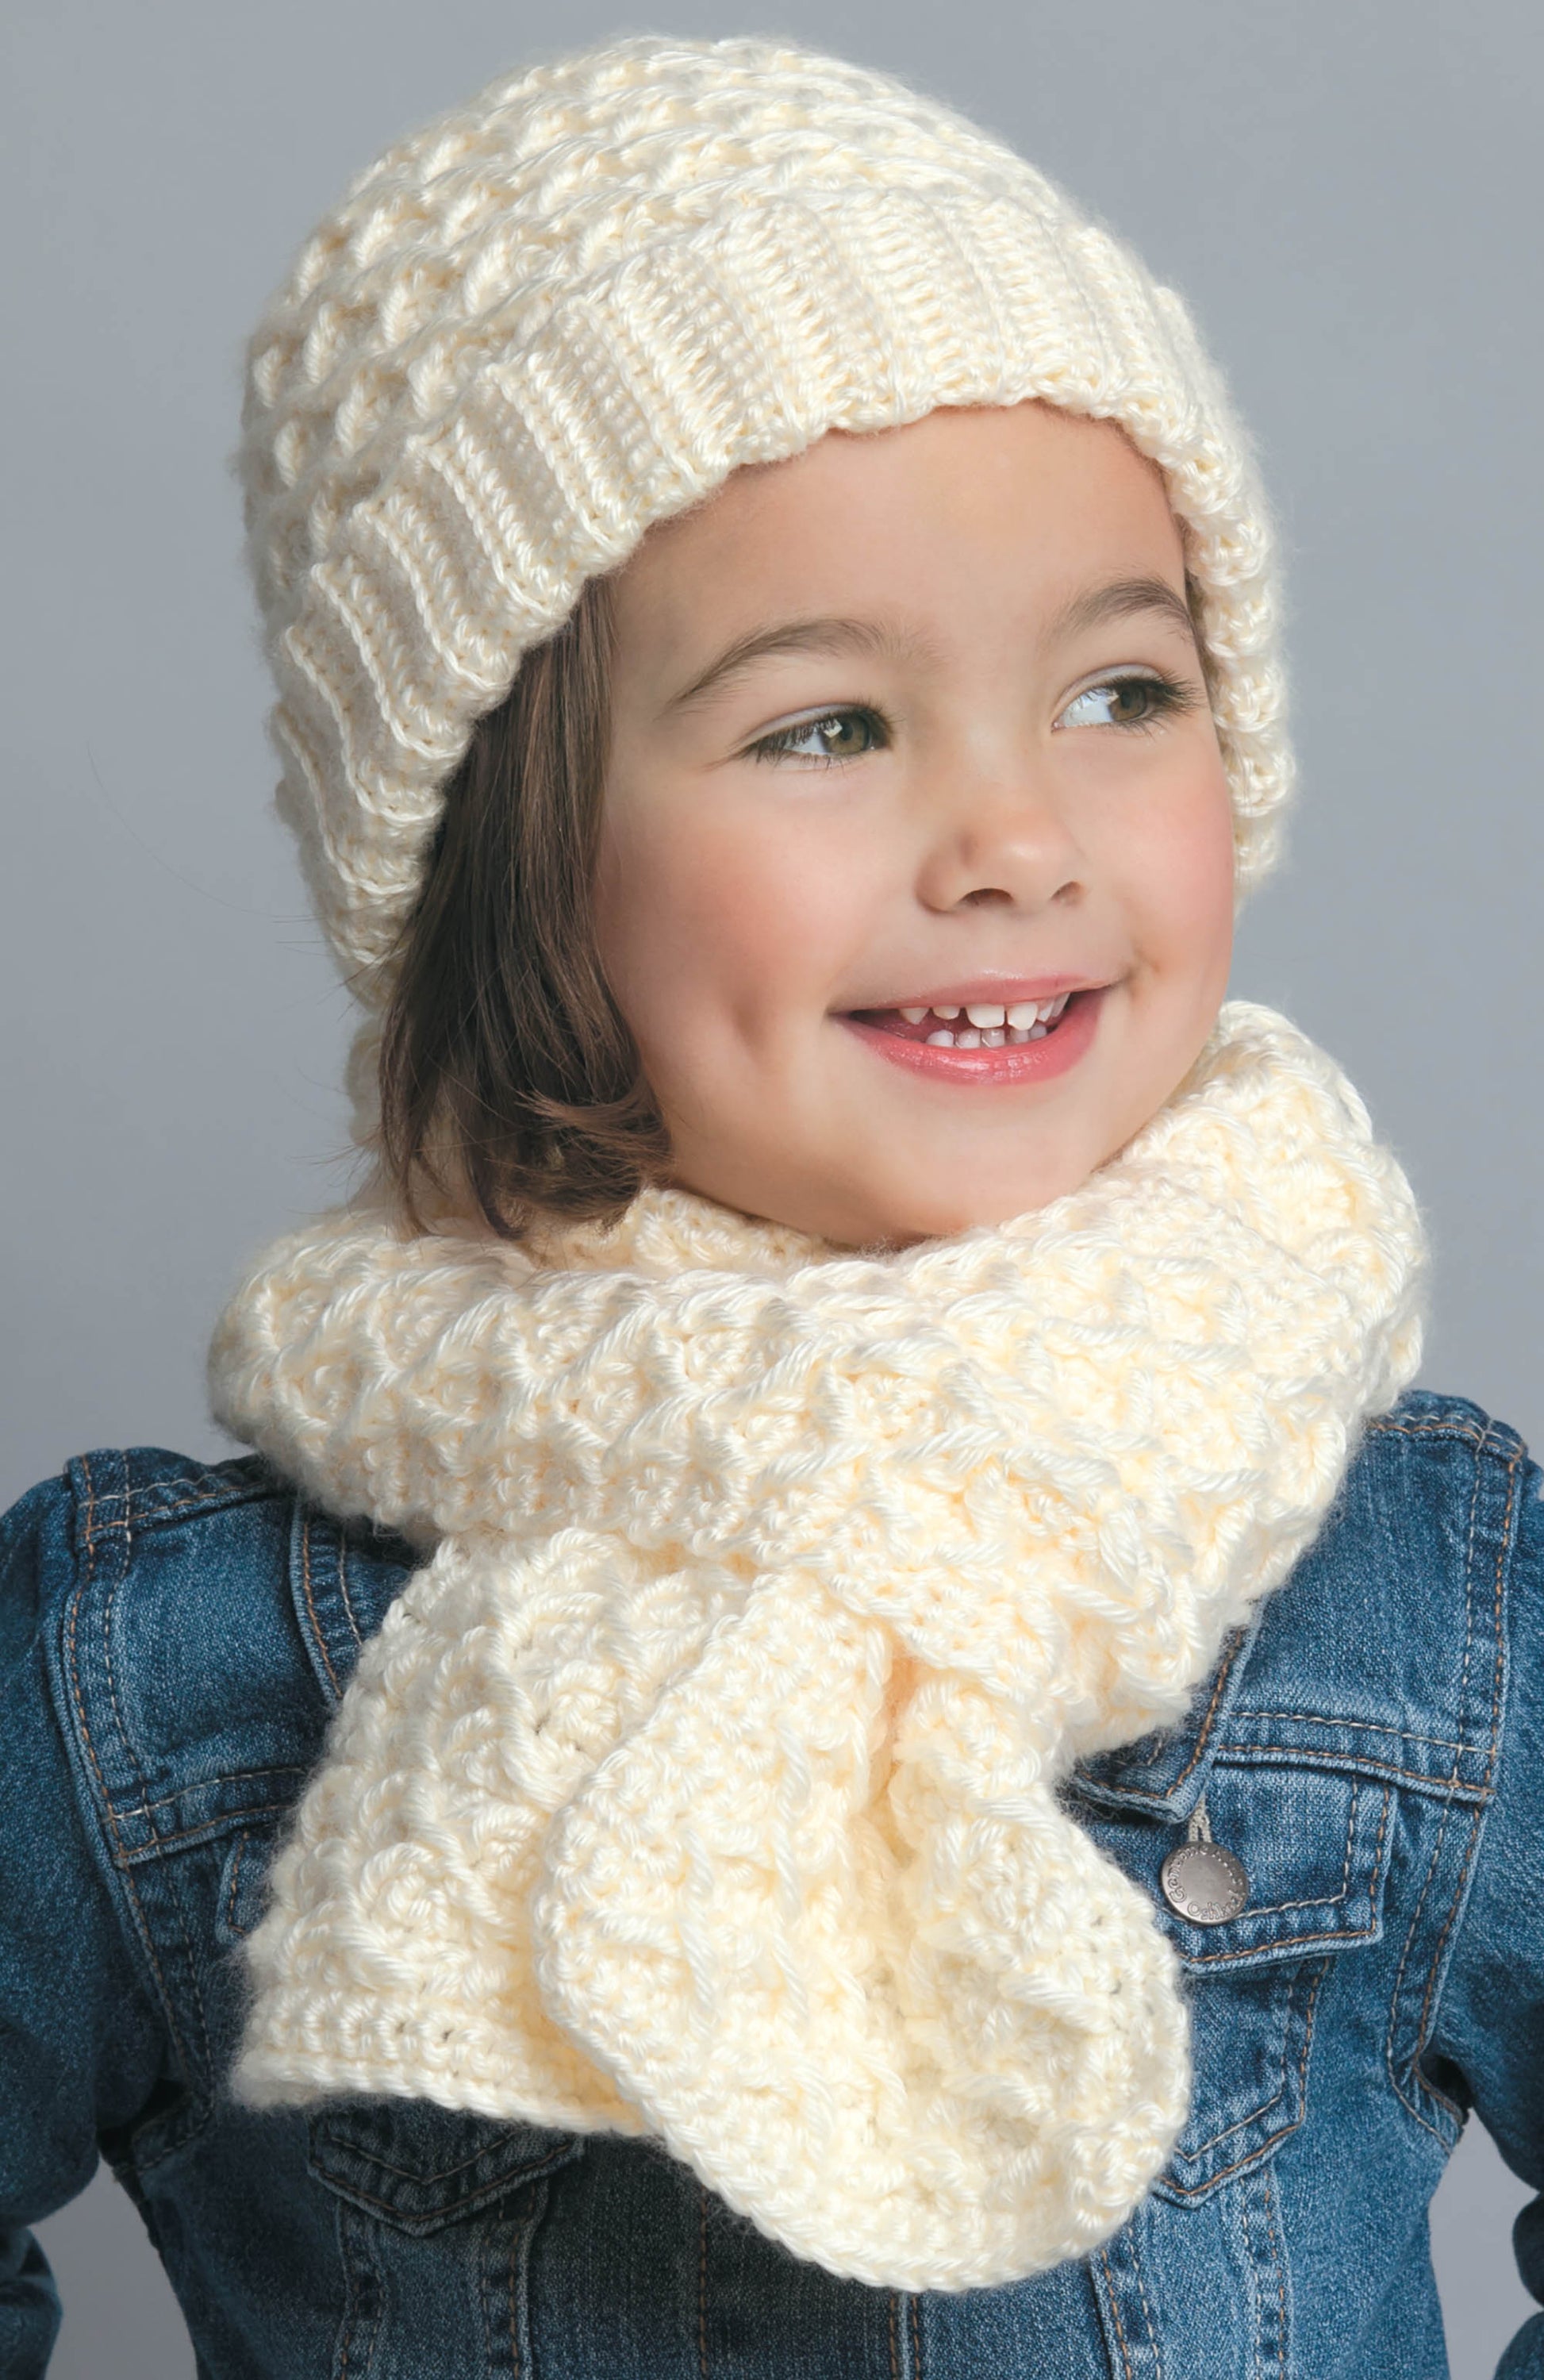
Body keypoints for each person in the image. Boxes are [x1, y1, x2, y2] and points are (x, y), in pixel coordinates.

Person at [2, 32, 1541, 2378]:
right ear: (506, 867)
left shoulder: (1429, 1602)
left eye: (1123, 690)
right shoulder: (161, 1670)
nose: (1013, 838)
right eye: (826, 726)